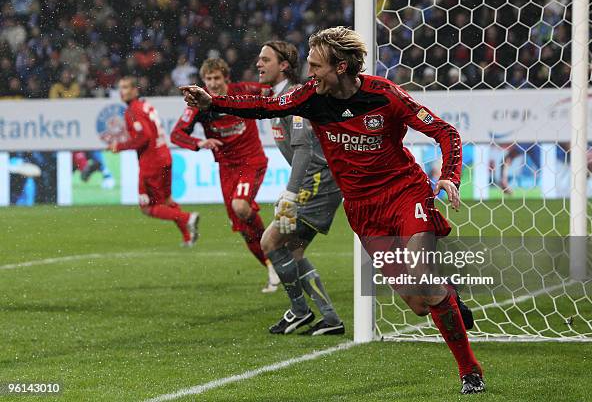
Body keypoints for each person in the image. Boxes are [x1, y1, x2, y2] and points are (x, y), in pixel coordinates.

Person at [181, 27, 484, 394]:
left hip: (404, 193)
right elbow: (263, 107)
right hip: (363, 210)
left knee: (421, 272)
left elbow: (445, 132)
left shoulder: (384, 95)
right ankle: (447, 295)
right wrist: (212, 103)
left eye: (316, 66)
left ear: (341, 67)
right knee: (420, 304)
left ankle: (469, 371)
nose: (309, 74)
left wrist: (450, 176)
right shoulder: (310, 97)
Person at [253, 41, 344, 335]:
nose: (259, 64)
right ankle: (329, 318)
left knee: (270, 242)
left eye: (265, 59)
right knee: (293, 249)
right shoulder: (277, 98)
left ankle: (299, 310)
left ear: (283, 66)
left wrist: (291, 193)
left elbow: (304, 149)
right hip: (314, 181)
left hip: (319, 182)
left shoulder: (295, 97)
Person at [171, 58, 280, 293]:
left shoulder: (244, 91)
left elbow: (275, 89)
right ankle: (272, 264)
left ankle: (275, 241)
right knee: (242, 226)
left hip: (251, 160)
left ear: (226, 78)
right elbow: (176, 135)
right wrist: (200, 142)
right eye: (208, 79)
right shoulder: (198, 105)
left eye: (217, 78)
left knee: (241, 207)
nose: (213, 83)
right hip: (227, 168)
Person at [109, 76, 199, 246]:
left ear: (135, 90)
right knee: (166, 201)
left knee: (147, 207)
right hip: (164, 156)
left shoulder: (133, 111)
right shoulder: (144, 105)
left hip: (151, 163)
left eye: (126, 87)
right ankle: (188, 237)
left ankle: (188, 218)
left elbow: (144, 137)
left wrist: (120, 146)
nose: (123, 91)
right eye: (121, 88)